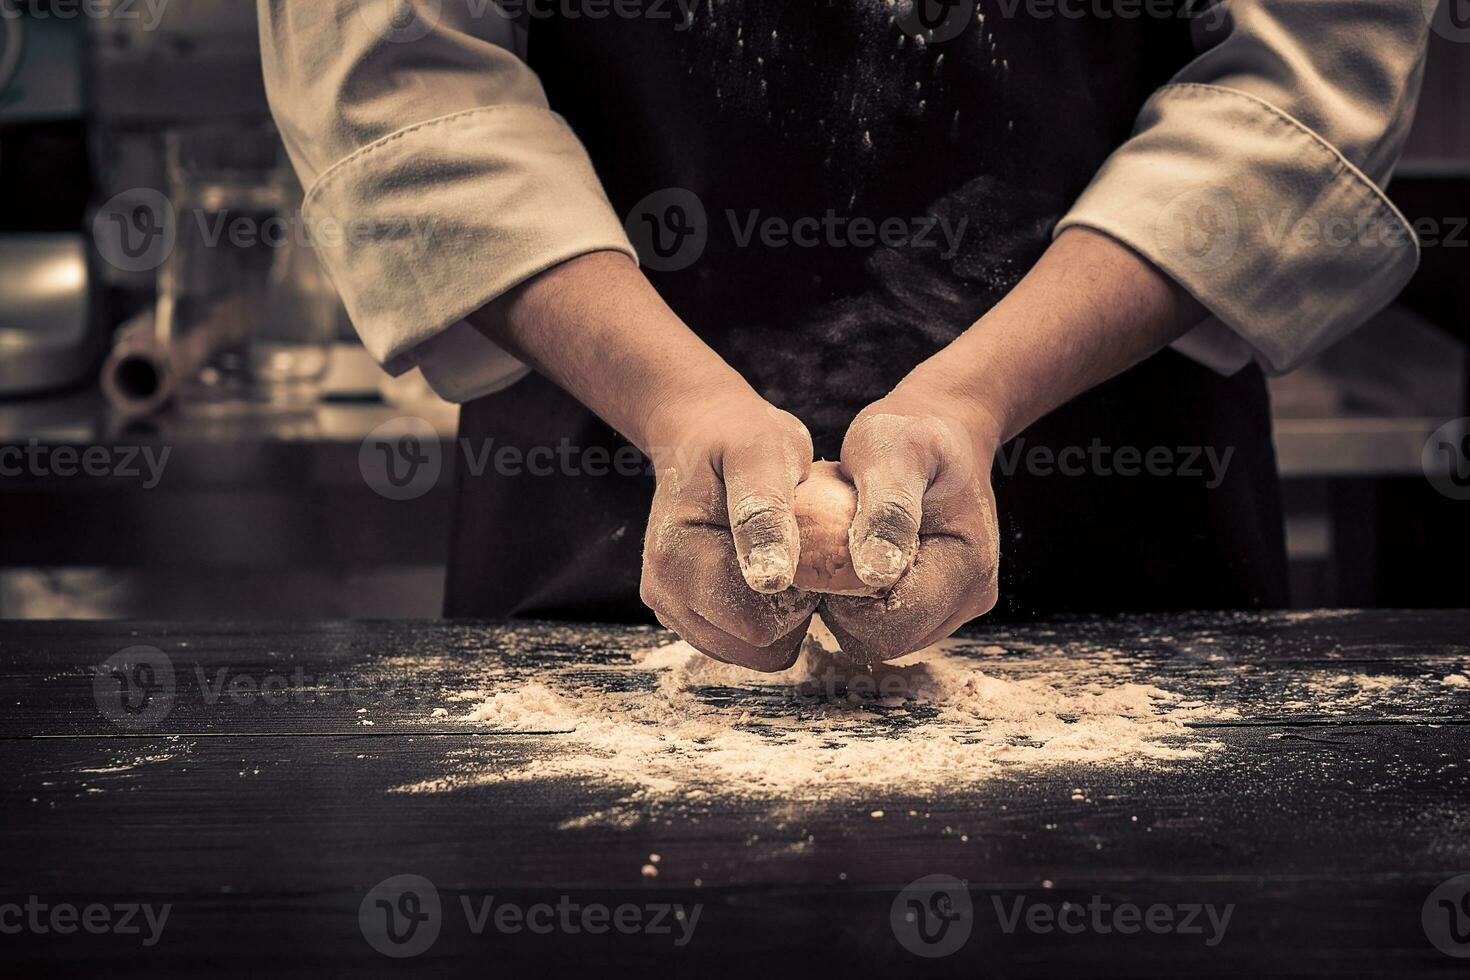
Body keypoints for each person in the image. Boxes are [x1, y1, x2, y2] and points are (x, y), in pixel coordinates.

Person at [258, 0, 1429, 668]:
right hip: (596, 469)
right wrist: (677, 402)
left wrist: (973, 395)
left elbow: (1302, 79)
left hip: (1126, 481)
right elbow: (400, 77)